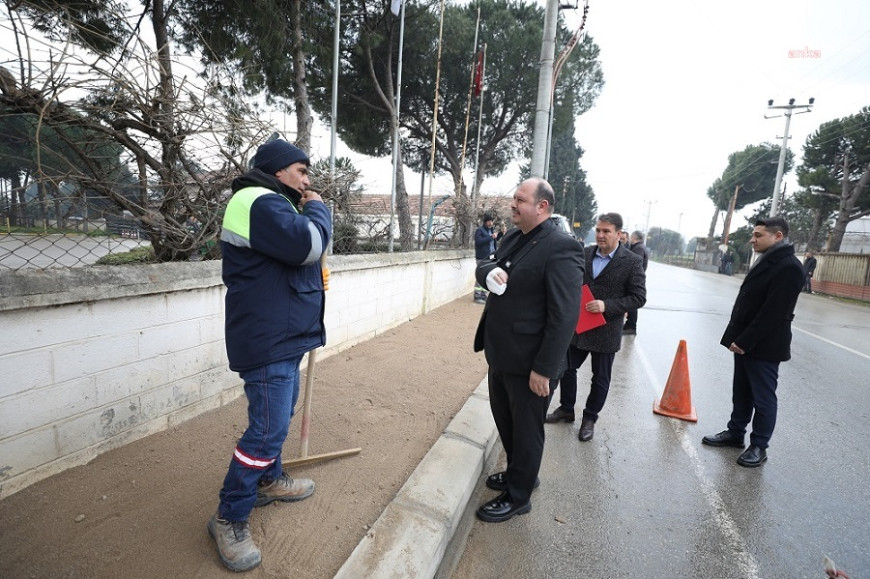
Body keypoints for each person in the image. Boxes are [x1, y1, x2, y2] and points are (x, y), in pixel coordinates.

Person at [209, 139, 331, 572]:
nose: (307, 180)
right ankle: (230, 515)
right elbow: (308, 247)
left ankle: (269, 480)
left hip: (282, 335)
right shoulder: (258, 201)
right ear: (279, 170)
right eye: (302, 171)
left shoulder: (271, 204)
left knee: (276, 420)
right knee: (265, 431)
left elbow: (293, 261)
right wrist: (318, 209)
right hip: (268, 339)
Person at [473, 178, 584, 523]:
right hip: (502, 354)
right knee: (506, 422)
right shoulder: (512, 236)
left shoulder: (562, 246)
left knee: (526, 430)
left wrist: (545, 369)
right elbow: (487, 265)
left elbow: (565, 315)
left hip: (531, 364)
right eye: (514, 199)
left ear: (542, 207)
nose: (512, 205)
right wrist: (489, 273)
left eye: (520, 200)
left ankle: (519, 496)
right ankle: (521, 472)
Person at [702, 217, 804, 468]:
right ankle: (736, 433)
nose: (752, 239)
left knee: (763, 398)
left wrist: (745, 341)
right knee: (742, 391)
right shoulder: (769, 259)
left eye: (758, 235)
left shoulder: (789, 267)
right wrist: (737, 338)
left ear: (778, 236)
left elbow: (773, 312)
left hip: (765, 345)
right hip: (746, 340)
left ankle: (759, 446)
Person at [546, 213, 646, 442]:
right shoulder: (586, 253)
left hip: (606, 330)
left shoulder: (631, 261)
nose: (600, 235)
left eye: (606, 231)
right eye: (599, 230)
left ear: (619, 234)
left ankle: (589, 419)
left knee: (600, 378)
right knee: (566, 369)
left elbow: (638, 298)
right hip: (579, 326)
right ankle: (566, 409)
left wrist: (606, 305)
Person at [623, 230, 649, 335]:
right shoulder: (640, 247)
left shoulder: (638, 248)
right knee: (631, 303)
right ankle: (629, 324)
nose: (630, 239)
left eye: (631, 236)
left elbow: (633, 263)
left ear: (634, 237)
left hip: (634, 279)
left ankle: (631, 326)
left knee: (632, 303)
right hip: (635, 278)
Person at [473, 214, 499, 303]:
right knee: (480, 275)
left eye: (491, 221)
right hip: (481, 257)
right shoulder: (480, 231)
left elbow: (493, 243)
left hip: (490, 258)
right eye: (489, 221)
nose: (490, 223)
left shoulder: (491, 231)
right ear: (485, 222)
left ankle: (483, 295)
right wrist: (490, 237)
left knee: (487, 276)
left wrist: (500, 234)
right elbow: (478, 242)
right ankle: (477, 296)